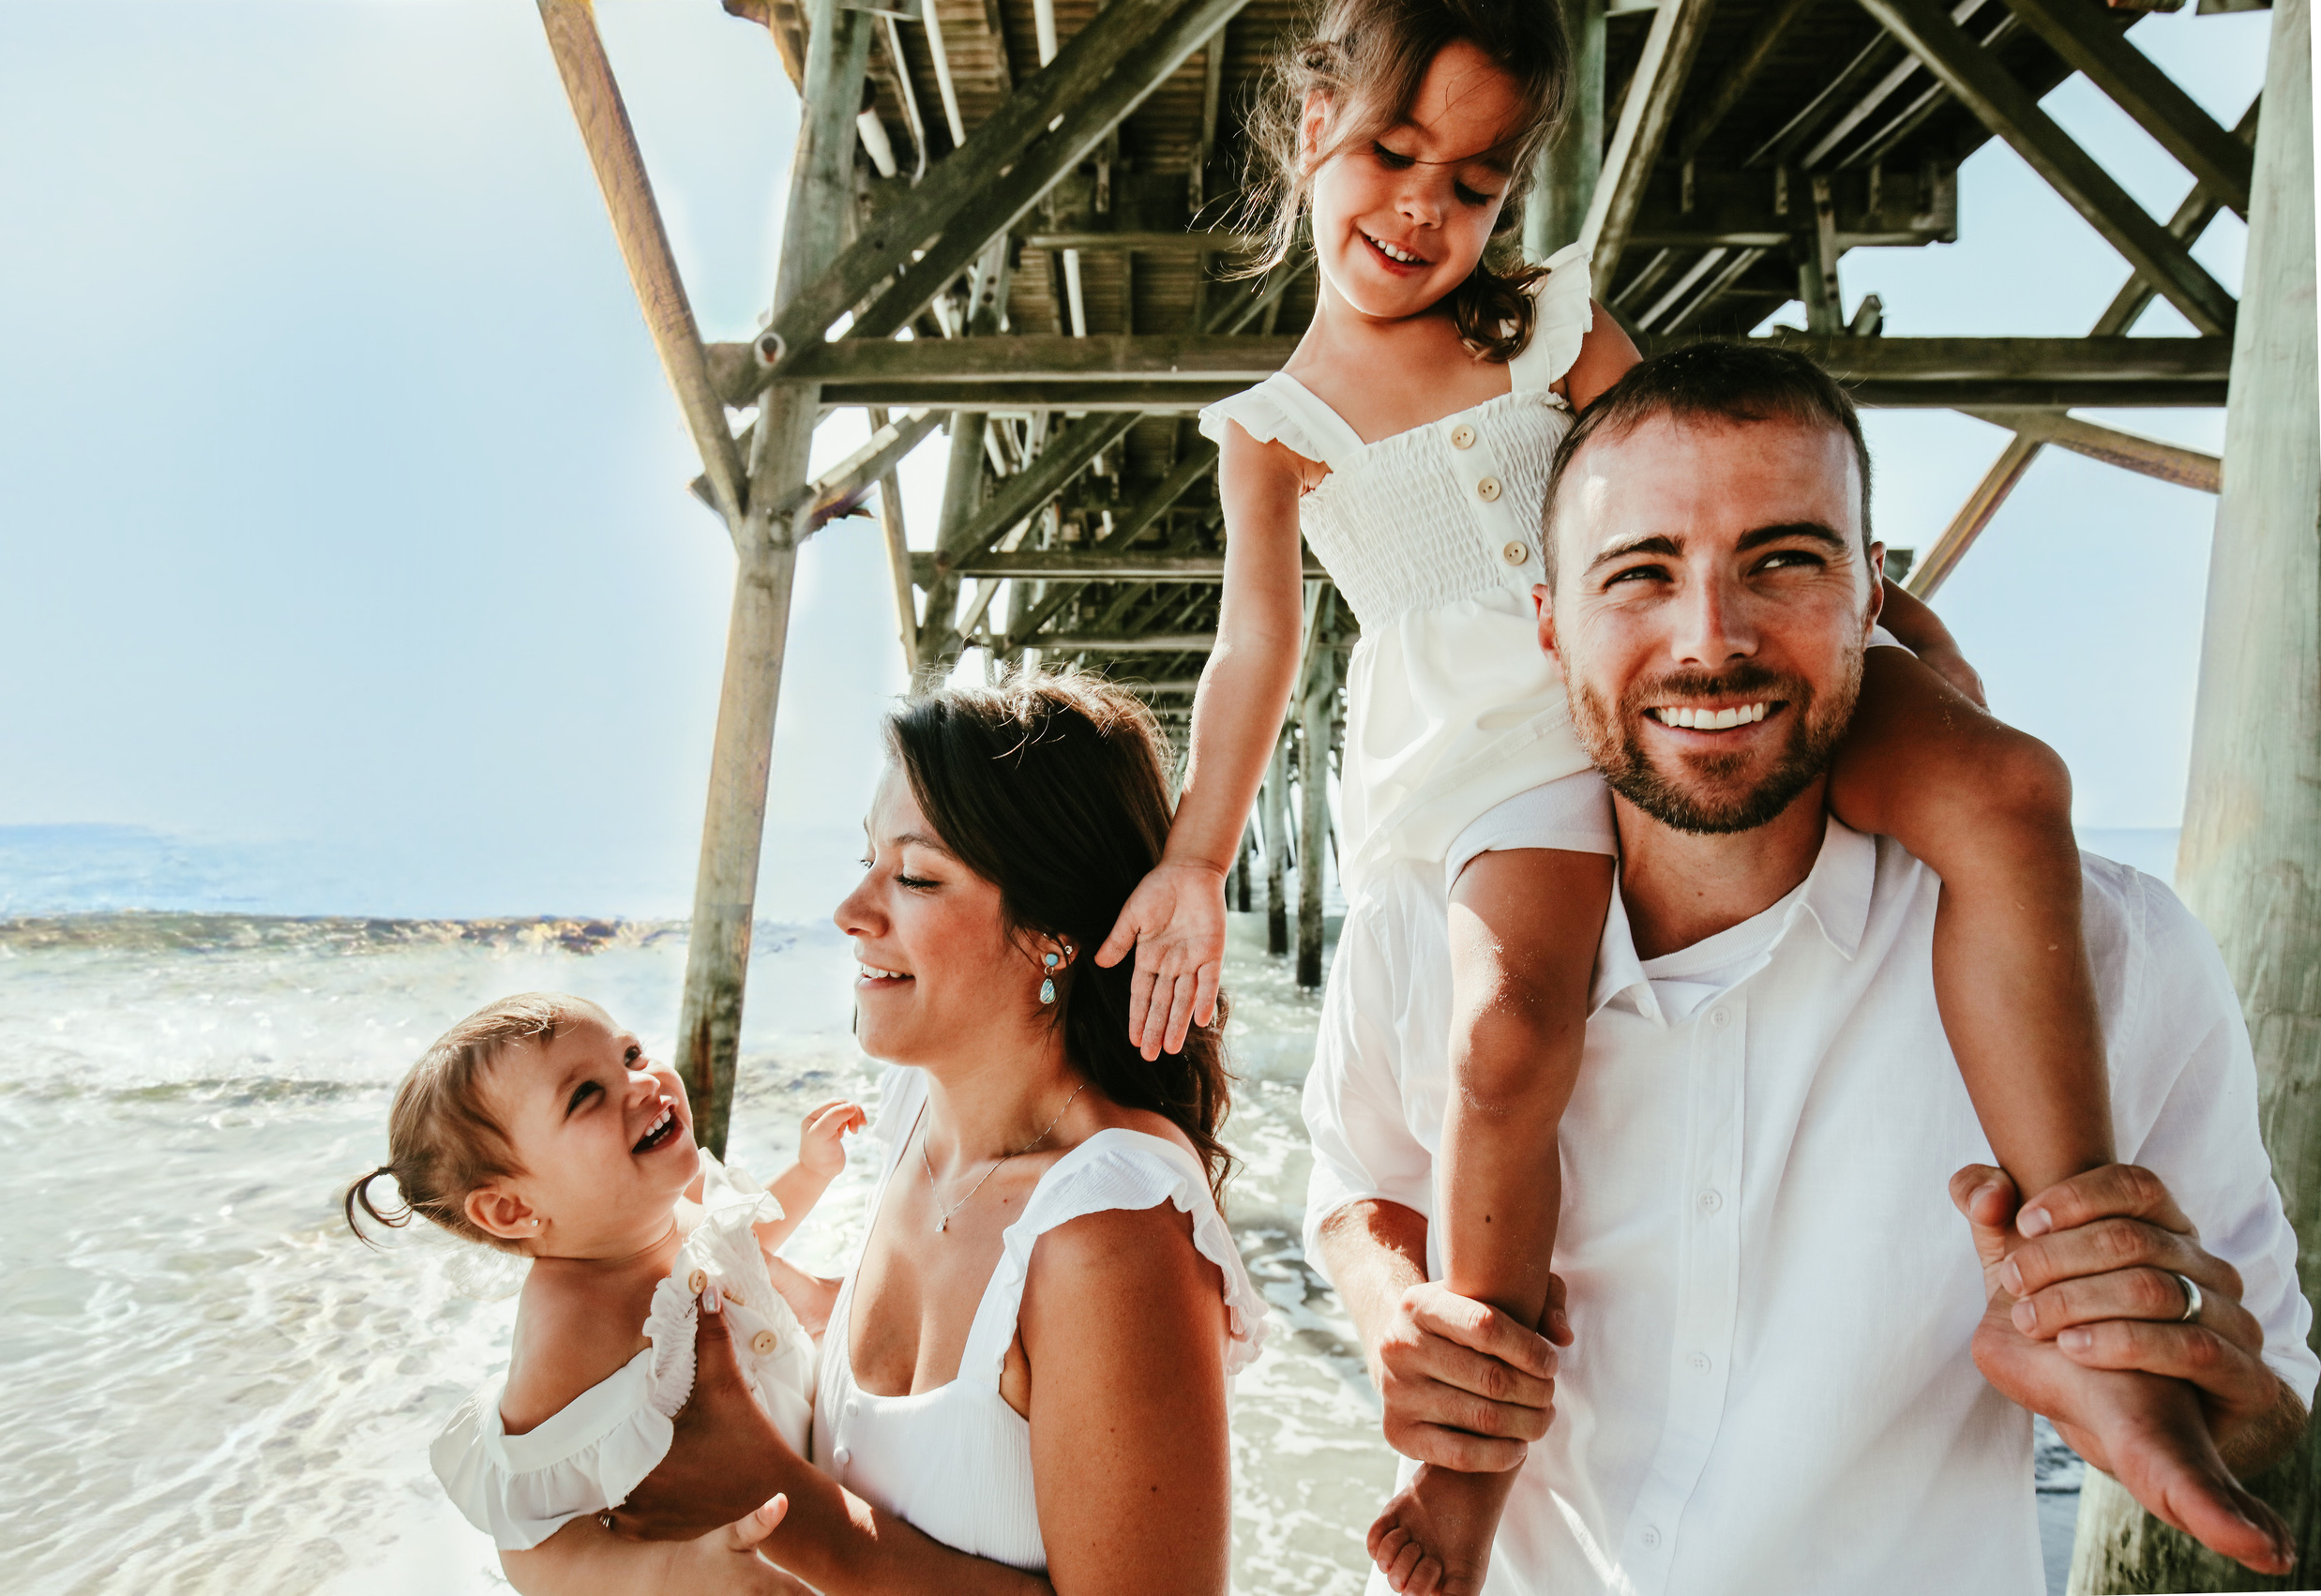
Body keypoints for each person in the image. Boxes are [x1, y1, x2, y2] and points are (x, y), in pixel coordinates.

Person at [1100, 1, 2135, 1587]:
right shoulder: (1274, 431)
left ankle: (2088, 1298)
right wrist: (1195, 855)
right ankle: (1466, 1465)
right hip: (1499, 748)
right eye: (1391, 155)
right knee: (1511, 1024)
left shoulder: (1549, 323)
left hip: (1689, 656)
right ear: (1310, 130)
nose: (1423, 212)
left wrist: (1873, 615)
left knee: (2007, 785)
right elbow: (1256, 650)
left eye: (1474, 182)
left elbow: (1696, 482)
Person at [1305, 342, 2315, 1595]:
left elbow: (2280, 1418)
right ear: (1551, 626)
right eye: (1641, 574)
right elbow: (1353, 1178)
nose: (1711, 641)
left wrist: (2208, 1375)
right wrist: (1390, 1299)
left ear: (1872, 592)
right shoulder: (1428, 928)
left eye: (1784, 560)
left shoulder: (2120, 953)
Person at [548, 673, 1267, 1596]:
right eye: (865, 857)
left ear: (1053, 933)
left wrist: (777, 1496)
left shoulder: (1107, 1229)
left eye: (916, 875)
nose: (851, 909)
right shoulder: (914, 1108)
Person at [343, 995, 865, 1591]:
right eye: (586, 1094)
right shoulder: (570, 1326)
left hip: (814, 1498)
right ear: (512, 1208)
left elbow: (742, 1244)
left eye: (632, 1053)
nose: (644, 1083)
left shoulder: (669, 1212)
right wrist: (673, 1573)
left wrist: (810, 1173)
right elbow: (533, 1541)